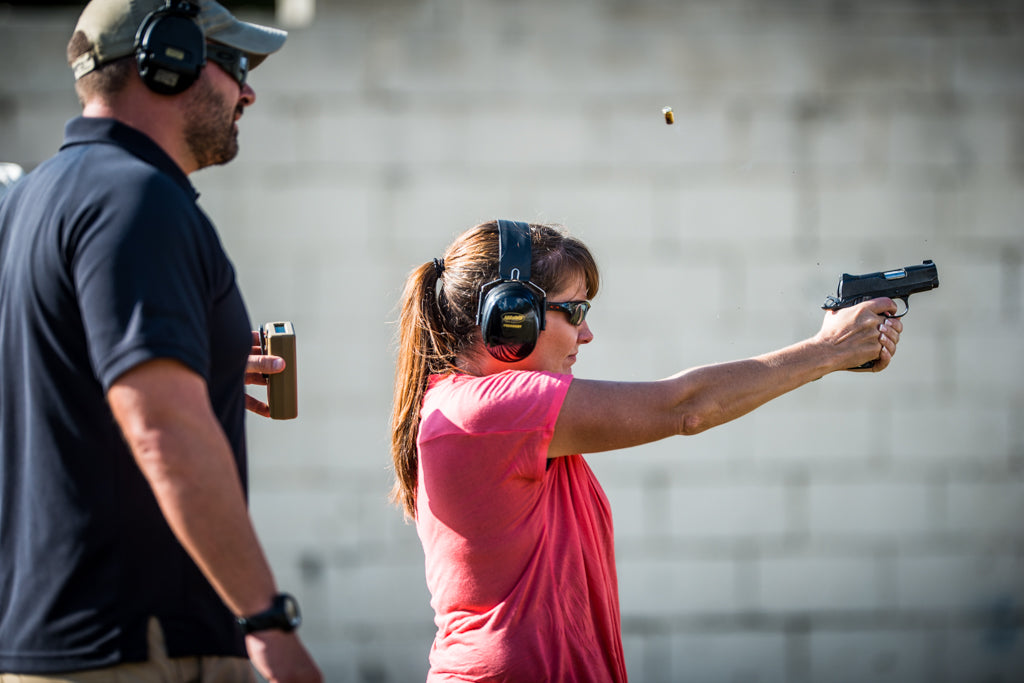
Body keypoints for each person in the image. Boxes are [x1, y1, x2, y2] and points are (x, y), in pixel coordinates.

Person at [390, 219, 904, 682]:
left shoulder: (483, 413)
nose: (587, 333)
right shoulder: (485, 413)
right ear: (512, 317)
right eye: (574, 311)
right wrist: (829, 349)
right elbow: (685, 407)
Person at [0, 1, 321, 681]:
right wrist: (266, 621)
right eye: (235, 65)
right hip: (140, 646)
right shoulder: (136, 199)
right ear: (166, 58)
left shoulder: (29, 203)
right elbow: (162, 427)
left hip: (57, 639)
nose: (249, 91)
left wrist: (206, 366)